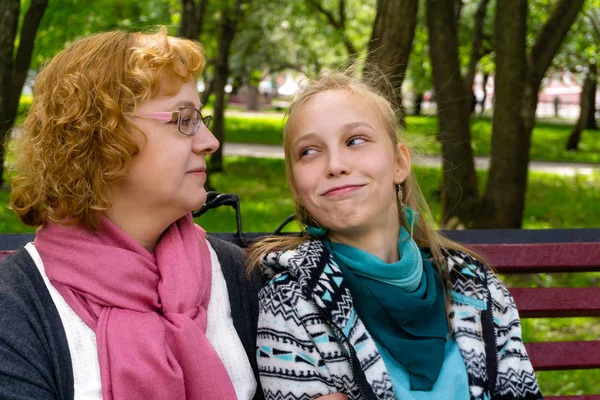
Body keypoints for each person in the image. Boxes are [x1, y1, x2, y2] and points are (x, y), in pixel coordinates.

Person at [0, 28, 263, 400]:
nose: (210, 142)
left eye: (200, 118)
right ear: (101, 135)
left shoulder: (238, 277)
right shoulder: (15, 309)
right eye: (185, 120)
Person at [248, 71, 542, 400]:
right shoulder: (290, 304)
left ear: (399, 164)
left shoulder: (477, 288)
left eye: (355, 141)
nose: (335, 164)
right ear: (297, 189)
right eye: (309, 152)